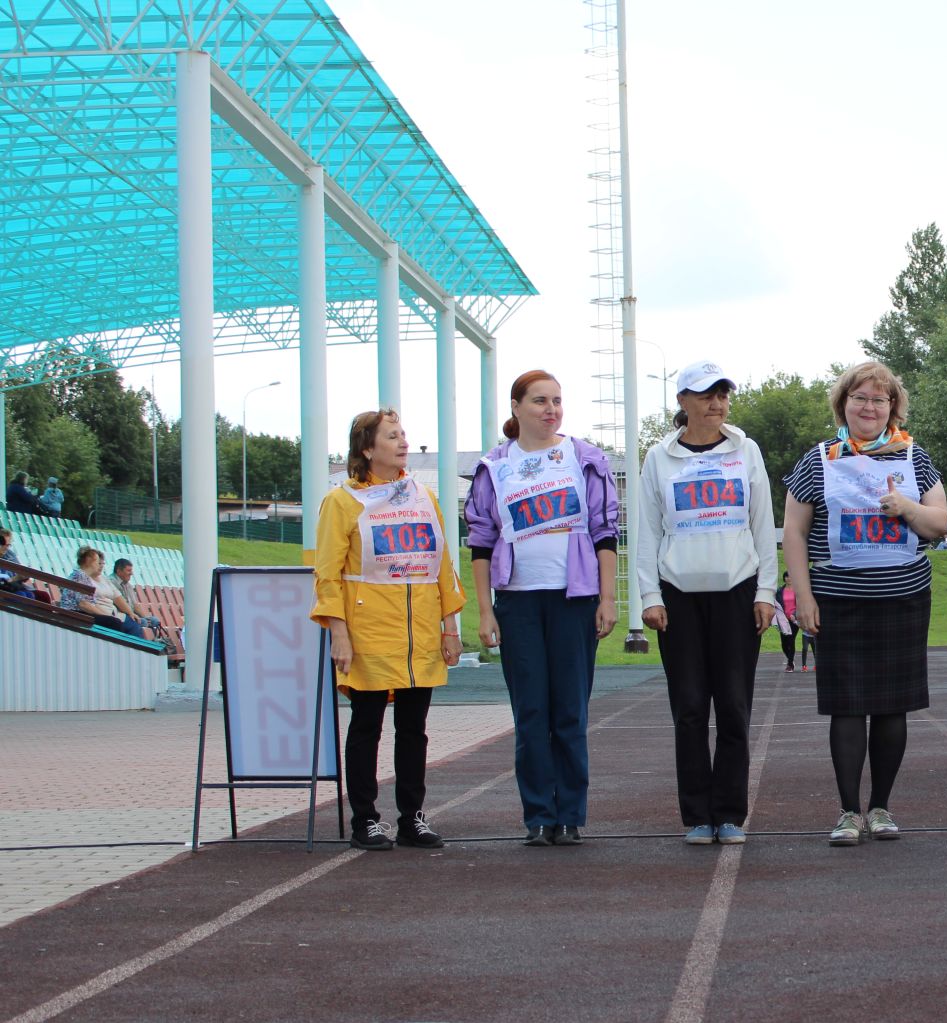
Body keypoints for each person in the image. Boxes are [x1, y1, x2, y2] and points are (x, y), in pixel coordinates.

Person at [782, 360, 947, 846]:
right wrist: (803, 597)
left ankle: (882, 807)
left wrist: (907, 508)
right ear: (844, 404)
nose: (869, 407)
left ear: (892, 406)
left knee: (893, 709)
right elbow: (793, 530)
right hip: (839, 601)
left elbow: (939, 523)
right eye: (860, 398)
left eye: (879, 399)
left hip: (902, 599)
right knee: (848, 709)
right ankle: (849, 811)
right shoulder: (819, 459)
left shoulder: (914, 457)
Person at [465, 370, 622, 847]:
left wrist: (608, 598)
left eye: (557, 400)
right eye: (539, 401)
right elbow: (481, 542)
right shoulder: (495, 467)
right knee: (531, 712)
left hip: (574, 600)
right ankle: (538, 814)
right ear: (516, 407)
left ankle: (571, 814)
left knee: (570, 712)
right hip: (517, 602)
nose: (550, 409)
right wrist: (486, 611)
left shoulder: (584, 458)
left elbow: (605, 531)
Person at [632, 359, 779, 846]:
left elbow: (762, 525)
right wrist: (649, 596)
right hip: (678, 597)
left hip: (738, 591)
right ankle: (697, 814)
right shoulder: (659, 457)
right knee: (690, 709)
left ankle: (730, 813)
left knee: (734, 709)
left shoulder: (746, 450)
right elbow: (647, 531)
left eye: (722, 394)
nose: (716, 403)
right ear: (682, 402)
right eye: (705, 394)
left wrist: (765, 593)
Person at [310, 409, 466, 851]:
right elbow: (328, 573)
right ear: (366, 448)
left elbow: (440, 563)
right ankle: (365, 820)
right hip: (369, 630)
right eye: (392, 436)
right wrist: (338, 632)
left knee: (414, 728)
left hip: (419, 632)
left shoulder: (422, 495)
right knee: (367, 726)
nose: (402, 443)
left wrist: (449, 626)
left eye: (403, 436)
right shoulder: (342, 501)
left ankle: (412, 818)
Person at [60, 546, 154, 639]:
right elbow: (84, 604)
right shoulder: (79, 576)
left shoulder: (83, 576)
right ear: (89, 561)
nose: (100, 565)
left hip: (80, 612)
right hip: (74, 614)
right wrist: (108, 616)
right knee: (114, 623)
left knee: (125, 623)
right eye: (97, 562)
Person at [108, 557, 164, 635]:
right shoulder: (111, 582)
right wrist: (136, 617)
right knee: (143, 622)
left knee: (154, 620)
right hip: (120, 616)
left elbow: (135, 605)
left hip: (131, 615)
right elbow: (120, 605)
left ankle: (153, 642)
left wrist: (145, 618)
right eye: (128, 570)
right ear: (119, 571)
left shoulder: (128, 585)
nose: (132, 573)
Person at [777, 572, 799, 671]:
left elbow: (800, 604)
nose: (788, 578)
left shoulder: (797, 590)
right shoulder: (780, 591)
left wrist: (794, 614)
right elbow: (777, 605)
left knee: (791, 640)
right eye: (786, 576)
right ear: (784, 578)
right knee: (784, 643)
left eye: (790, 576)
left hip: (794, 620)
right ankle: (790, 659)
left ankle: (790, 664)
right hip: (783, 620)